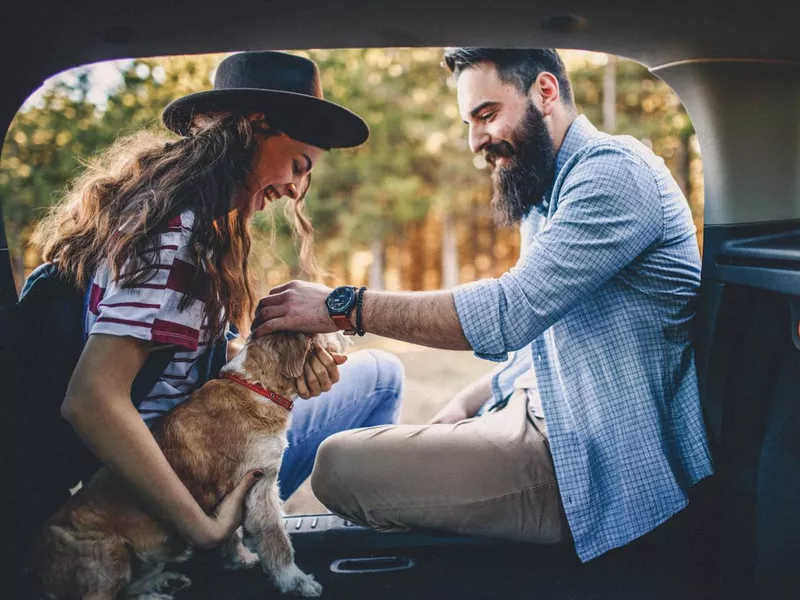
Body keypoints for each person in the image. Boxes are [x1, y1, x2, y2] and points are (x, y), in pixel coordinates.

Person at [249, 48, 714, 562]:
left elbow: (509, 313)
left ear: (545, 92)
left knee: (338, 464)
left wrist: (343, 306)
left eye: (486, 115)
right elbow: (544, 345)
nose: (476, 141)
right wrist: (471, 400)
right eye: (469, 122)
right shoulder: (549, 190)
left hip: (593, 458)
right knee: (376, 437)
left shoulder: (612, 175)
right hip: (542, 421)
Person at [30, 51, 403, 552]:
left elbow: (176, 366)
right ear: (253, 126)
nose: (295, 189)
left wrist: (287, 361)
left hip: (196, 444)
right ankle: (373, 542)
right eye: (297, 165)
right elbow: (92, 399)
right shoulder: (174, 240)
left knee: (375, 371)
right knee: (382, 375)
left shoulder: (167, 220)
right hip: (185, 483)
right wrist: (201, 530)